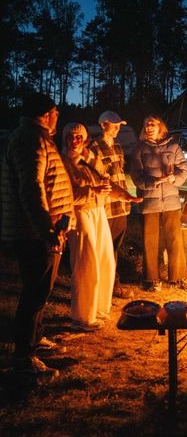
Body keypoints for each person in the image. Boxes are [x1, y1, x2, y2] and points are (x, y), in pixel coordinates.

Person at [0, 89, 75, 382]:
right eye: (56, 112)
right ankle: (23, 358)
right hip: (33, 232)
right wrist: (47, 230)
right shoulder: (30, 140)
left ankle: (35, 339)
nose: (58, 118)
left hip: (42, 229)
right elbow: (31, 190)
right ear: (46, 114)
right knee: (35, 291)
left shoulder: (38, 138)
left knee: (40, 290)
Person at [60, 122, 121, 331]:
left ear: (85, 139)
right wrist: (92, 192)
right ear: (65, 138)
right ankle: (82, 316)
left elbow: (104, 179)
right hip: (79, 213)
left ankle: (99, 308)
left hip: (98, 210)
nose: (75, 141)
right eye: (71, 136)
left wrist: (120, 194)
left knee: (105, 259)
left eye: (79, 137)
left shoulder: (90, 158)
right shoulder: (64, 161)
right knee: (87, 262)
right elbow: (65, 194)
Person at [130, 116, 187, 291]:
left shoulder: (174, 147)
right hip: (149, 201)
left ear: (160, 127)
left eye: (152, 124)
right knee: (150, 241)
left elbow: (184, 171)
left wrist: (175, 178)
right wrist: (151, 184)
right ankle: (150, 279)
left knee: (174, 239)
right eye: (146, 124)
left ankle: (177, 277)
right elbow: (136, 175)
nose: (149, 127)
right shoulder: (139, 149)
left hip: (171, 201)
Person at [87, 110, 141, 296]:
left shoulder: (117, 146)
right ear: (103, 125)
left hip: (121, 207)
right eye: (115, 125)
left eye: (119, 125)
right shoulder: (94, 148)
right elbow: (95, 178)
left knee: (115, 247)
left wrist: (126, 196)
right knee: (104, 246)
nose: (118, 129)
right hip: (106, 206)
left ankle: (111, 282)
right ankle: (104, 285)